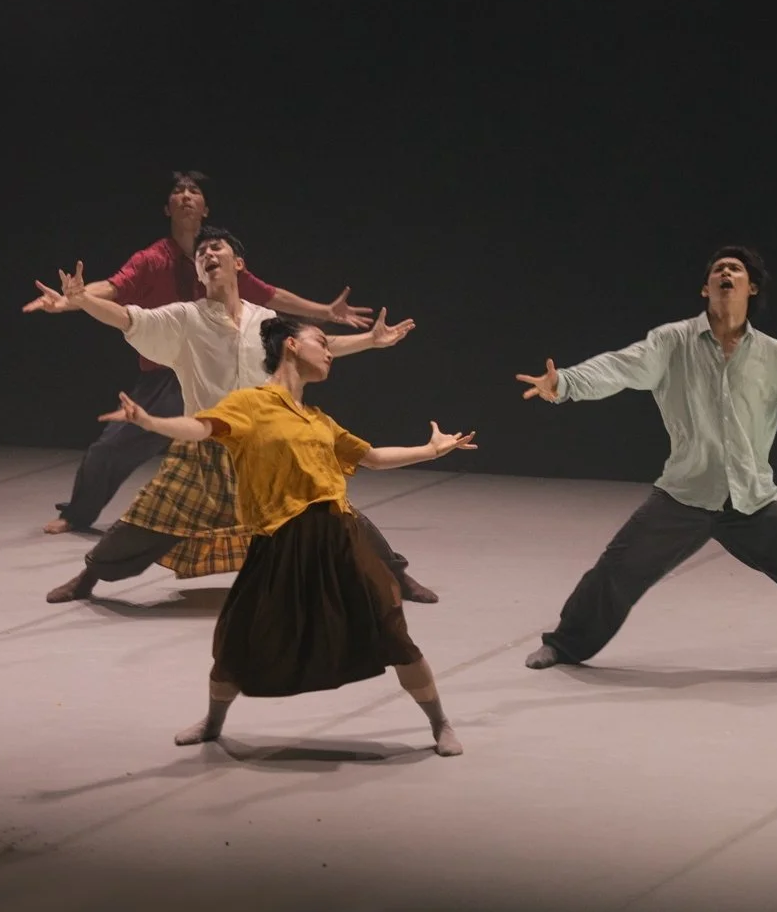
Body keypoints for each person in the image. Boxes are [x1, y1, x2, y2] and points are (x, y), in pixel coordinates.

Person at [516, 246, 777, 672]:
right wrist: (565, 383)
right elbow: (619, 368)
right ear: (706, 287)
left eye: (735, 269)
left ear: (751, 287)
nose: (726, 273)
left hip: (751, 499)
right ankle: (564, 644)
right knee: (616, 570)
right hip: (686, 493)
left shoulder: (772, 356)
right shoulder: (671, 342)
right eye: (718, 269)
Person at [97, 316, 475, 755]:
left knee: (391, 629)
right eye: (321, 342)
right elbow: (200, 429)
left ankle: (440, 723)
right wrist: (150, 422)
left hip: (337, 537)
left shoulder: (319, 420)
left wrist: (431, 450)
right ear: (291, 345)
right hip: (278, 543)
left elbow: (371, 457)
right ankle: (213, 723)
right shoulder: (249, 405)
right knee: (238, 637)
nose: (330, 351)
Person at [42, 226, 438, 604]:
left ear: (239, 265)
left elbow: (322, 342)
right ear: (198, 272)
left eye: (216, 249)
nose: (207, 254)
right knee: (148, 516)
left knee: (332, 511)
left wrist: (371, 340)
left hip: (267, 447)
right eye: (200, 254)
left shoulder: (265, 321)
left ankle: (396, 574)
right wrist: (84, 300)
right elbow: (128, 318)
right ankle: (89, 577)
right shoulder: (184, 317)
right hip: (207, 446)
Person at [23, 171, 376, 536]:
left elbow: (271, 294)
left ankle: (316, 525)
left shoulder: (224, 257)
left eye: (195, 191)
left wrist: (324, 311)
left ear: (206, 208)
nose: (187, 196)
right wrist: (70, 300)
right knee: (110, 448)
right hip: (165, 376)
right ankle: (79, 516)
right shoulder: (153, 259)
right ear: (167, 207)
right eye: (178, 191)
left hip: (221, 374)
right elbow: (114, 287)